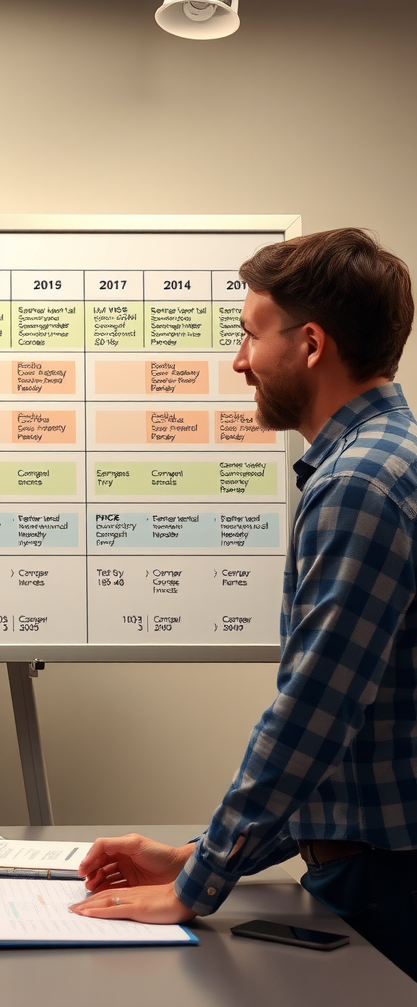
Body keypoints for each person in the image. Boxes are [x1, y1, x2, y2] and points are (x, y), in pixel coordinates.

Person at [72, 227, 417, 979]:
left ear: (312, 345)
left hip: (387, 887)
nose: (238, 360)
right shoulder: (387, 460)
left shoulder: (359, 484)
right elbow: (353, 752)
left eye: (251, 335)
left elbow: (315, 713)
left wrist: (194, 887)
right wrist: (194, 855)